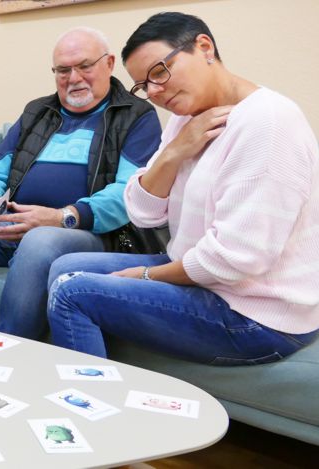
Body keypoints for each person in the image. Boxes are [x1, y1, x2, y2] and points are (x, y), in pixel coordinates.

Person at [46, 12, 319, 364]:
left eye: (159, 72)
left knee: (73, 291)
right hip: (203, 279)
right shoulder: (186, 119)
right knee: (63, 265)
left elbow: (236, 259)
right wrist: (175, 151)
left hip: (256, 313)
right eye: (144, 85)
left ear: (204, 47)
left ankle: (91, 410)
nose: (155, 92)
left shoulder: (268, 122)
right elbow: (143, 213)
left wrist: (148, 275)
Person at [0, 27, 162, 339]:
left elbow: (127, 194)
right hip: (13, 226)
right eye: (63, 70)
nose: (73, 78)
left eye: (85, 66)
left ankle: (6, 350)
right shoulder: (38, 111)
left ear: (109, 63)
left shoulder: (136, 116)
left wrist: (58, 217)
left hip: (90, 234)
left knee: (41, 239)